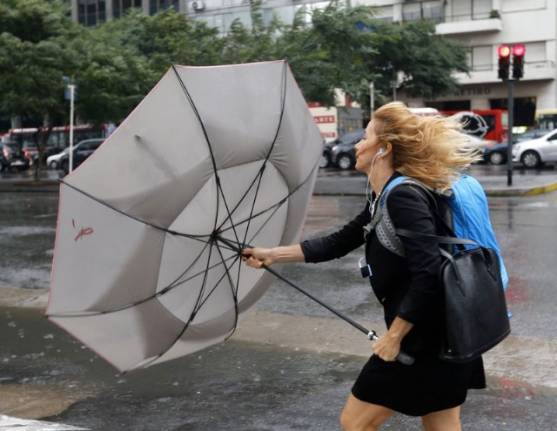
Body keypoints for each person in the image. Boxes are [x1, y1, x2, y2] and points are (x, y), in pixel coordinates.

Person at [242, 102, 486, 431]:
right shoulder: (386, 196)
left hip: (424, 339)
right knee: (441, 424)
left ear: (383, 149)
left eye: (365, 136)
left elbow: (428, 272)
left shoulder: (403, 197)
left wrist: (394, 336)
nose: (356, 144)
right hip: (447, 334)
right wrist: (272, 254)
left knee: (355, 422)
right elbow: (337, 242)